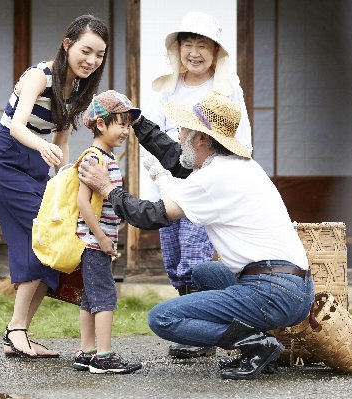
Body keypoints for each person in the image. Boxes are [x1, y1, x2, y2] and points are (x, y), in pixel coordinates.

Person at [78, 91, 314, 380]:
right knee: (202, 273)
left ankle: (255, 345)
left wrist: (109, 190)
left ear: (200, 139)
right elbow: (179, 161)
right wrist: (139, 123)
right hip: (298, 289)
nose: (178, 135)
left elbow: (148, 216)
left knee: (162, 318)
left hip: (273, 292)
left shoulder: (213, 179)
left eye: (183, 130)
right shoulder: (238, 166)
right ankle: (258, 340)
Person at [0, 14, 109, 358]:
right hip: (9, 160)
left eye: (99, 55)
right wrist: (43, 149)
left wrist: (64, 180)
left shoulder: (83, 88)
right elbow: (17, 127)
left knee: (55, 239)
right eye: (86, 51)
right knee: (42, 239)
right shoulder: (38, 76)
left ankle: (18, 331)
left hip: (41, 166)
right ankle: (16, 330)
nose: (91, 61)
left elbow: (63, 137)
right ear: (67, 44)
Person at [142, 11, 253, 359]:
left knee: (195, 259)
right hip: (170, 186)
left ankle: (203, 335)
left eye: (202, 44)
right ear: (177, 49)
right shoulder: (165, 87)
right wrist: (160, 179)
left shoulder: (226, 88)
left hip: (206, 187)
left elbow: (242, 138)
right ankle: (194, 327)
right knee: (175, 261)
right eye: (187, 43)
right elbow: (152, 136)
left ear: (216, 51)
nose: (194, 52)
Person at [72, 90, 142, 374]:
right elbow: (82, 202)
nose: (126, 130)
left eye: (128, 125)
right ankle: (103, 355)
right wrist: (101, 237)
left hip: (94, 241)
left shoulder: (104, 156)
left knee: (90, 298)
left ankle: (86, 351)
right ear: (101, 124)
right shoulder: (95, 158)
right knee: (104, 297)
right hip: (94, 242)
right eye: (121, 123)